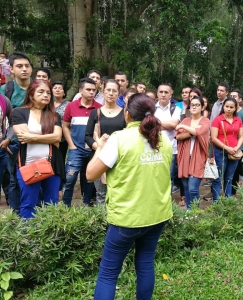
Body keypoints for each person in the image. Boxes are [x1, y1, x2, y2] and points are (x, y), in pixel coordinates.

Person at [86, 94, 172, 300]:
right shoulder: (163, 140)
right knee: (145, 263)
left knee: (108, 272)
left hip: (127, 218)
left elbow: (90, 174)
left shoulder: (119, 139)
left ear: (127, 114)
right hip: (157, 215)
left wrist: (100, 147)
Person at [12, 80, 65, 218]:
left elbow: (57, 137)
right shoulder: (19, 112)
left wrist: (33, 137)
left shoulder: (54, 115)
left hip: (52, 165)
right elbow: (23, 136)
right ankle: (29, 237)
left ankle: (49, 237)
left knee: (51, 204)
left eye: (48, 92)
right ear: (31, 94)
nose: (46, 95)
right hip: (28, 165)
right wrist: (49, 137)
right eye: (41, 92)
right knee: (28, 203)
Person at [0, 52, 33, 214]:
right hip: (13, 143)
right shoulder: (5, 90)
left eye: (27, 66)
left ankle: (36, 212)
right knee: (13, 179)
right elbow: (7, 118)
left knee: (37, 175)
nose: (24, 69)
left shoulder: (39, 87)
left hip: (37, 141)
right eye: (19, 66)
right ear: (11, 70)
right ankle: (16, 213)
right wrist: (7, 138)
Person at [62, 78, 102, 207]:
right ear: (80, 90)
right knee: (70, 178)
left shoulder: (99, 108)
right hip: (76, 149)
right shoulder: (71, 106)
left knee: (90, 179)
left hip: (93, 149)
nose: (91, 92)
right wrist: (71, 145)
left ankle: (86, 205)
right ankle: (65, 206)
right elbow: (65, 126)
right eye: (88, 89)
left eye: (93, 90)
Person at [85, 79, 125, 205]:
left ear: (119, 93)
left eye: (114, 91)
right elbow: (87, 136)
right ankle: (103, 222)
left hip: (120, 158)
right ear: (103, 91)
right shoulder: (95, 113)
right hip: (100, 157)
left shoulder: (125, 113)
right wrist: (100, 146)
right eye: (108, 90)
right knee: (101, 194)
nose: (111, 93)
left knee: (119, 192)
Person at [176, 96, 210, 209]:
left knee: (193, 188)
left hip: (198, 157)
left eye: (197, 105)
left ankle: (194, 212)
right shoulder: (186, 120)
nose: (194, 107)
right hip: (184, 156)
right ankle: (189, 211)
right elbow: (178, 136)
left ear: (202, 107)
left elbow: (200, 131)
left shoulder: (205, 121)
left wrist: (183, 126)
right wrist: (191, 132)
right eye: (192, 104)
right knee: (185, 187)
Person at [211, 97, 243, 200]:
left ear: (235, 108)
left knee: (229, 178)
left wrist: (237, 147)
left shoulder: (238, 120)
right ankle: (216, 203)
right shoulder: (218, 119)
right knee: (218, 178)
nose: (228, 109)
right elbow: (213, 138)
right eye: (227, 106)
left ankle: (227, 202)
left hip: (234, 152)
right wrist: (227, 148)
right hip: (220, 152)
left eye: (231, 107)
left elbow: (241, 136)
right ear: (223, 107)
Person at [154, 83, 181, 193]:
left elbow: (173, 125)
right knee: (154, 177)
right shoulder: (151, 108)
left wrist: (156, 124)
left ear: (171, 94)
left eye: (166, 92)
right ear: (157, 93)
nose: (163, 94)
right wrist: (166, 124)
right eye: (161, 92)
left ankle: (167, 203)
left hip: (170, 149)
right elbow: (148, 125)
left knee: (168, 178)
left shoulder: (175, 109)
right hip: (153, 148)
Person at [229, 89, 243, 195]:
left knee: (235, 172)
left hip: (239, 148)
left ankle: (233, 193)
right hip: (226, 146)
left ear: (240, 99)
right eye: (231, 96)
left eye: (235, 96)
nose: (232, 98)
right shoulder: (227, 112)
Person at [0, 93, 13, 205]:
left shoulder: (4, 100)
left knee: (6, 177)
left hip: (1, 146)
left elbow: (13, 122)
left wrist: (8, 139)